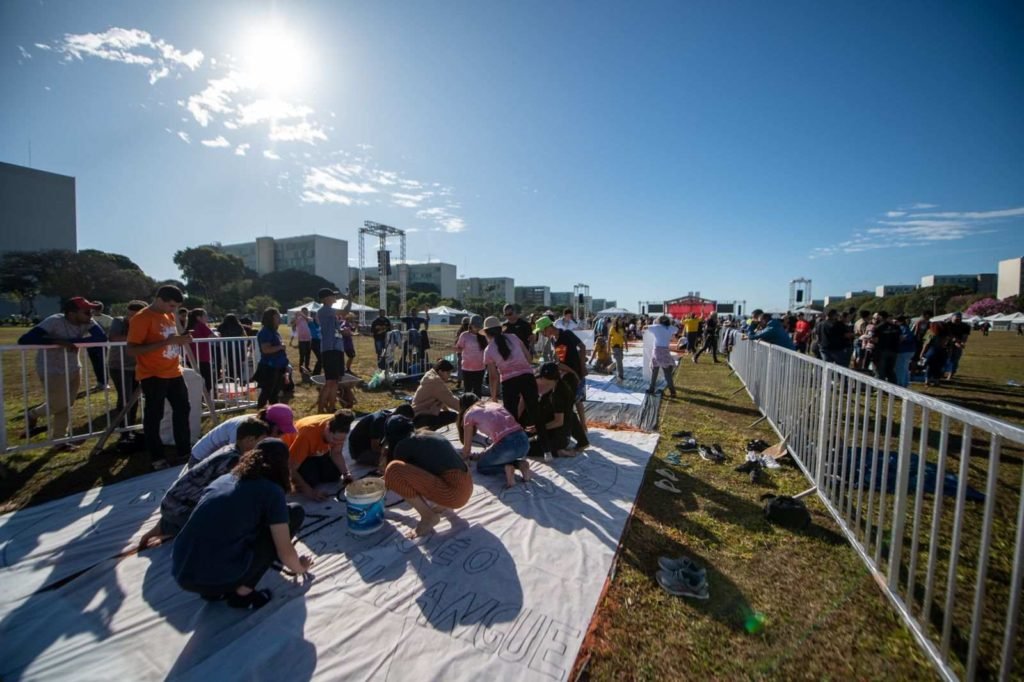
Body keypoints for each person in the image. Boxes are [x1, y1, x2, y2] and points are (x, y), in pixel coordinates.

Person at [171, 438, 312, 611]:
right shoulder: (271, 491)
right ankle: (242, 595)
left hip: (183, 571)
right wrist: (300, 567)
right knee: (294, 513)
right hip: (214, 575)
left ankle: (215, 590)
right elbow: (284, 550)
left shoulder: (225, 479)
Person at [138, 418, 270, 550]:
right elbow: (229, 495)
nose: (263, 447)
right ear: (249, 440)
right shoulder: (233, 461)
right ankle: (175, 526)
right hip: (181, 508)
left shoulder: (229, 449)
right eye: (261, 442)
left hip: (171, 502)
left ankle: (167, 526)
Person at [18, 296, 108, 449]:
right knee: (58, 404)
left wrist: (72, 342)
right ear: (72, 313)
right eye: (86, 312)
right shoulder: (54, 321)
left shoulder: (87, 322)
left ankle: (59, 440)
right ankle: (32, 414)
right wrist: (56, 341)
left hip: (74, 367)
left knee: (67, 405)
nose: (90, 315)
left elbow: (101, 337)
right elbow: (25, 339)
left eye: (91, 311)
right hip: (52, 369)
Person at [126, 285, 194, 464]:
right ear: (160, 299)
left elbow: (171, 341)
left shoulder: (169, 315)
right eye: (171, 306)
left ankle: (184, 452)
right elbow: (132, 350)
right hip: (153, 374)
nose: (174, 310)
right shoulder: (141, 318)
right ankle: (157, 457)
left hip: (174, 371)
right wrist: (167, 342)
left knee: (182, 410)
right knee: (154, 416)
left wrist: (181, 340)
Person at [382, 415, 473, 537]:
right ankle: (442, 505)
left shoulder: (403, 446)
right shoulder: (427, 434)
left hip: (454, 495)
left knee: (393, 470)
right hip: (466, 486)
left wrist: (386, 476)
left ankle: (428, 517)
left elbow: (399, 475)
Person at [482, 316, 545, 449]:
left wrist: (494, 397)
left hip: (509, 382)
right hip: (527, 376)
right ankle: (546, 446)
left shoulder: (489, 351)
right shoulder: (514, 337)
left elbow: (493, 377)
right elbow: (528, 358)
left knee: (511, 416)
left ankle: (516, 446)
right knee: (535, 410)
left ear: (487, 333)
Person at [535, 316, 590, 444]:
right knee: (573, 401)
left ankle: (580, 432)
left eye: (543, 331)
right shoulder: (555, 340)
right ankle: (580, 430)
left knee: (574, 402)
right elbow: (561, 361)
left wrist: (582, 367)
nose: (542, 334)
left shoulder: (566, 334)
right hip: (568, 374)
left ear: (548, 327)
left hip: (574, 373)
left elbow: (582, 347)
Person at [188, 403, 298, 467]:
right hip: (200, 462)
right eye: (280, 432)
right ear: (270, 425)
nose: (280, 437)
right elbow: (233, 461)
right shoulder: (242, 430)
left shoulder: (260, 427)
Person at [459, 393, 531, 488]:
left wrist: (463, 458)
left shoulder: (469, 414)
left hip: (508, 446)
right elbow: (502, 437)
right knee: (495, 456)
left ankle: (507, 469)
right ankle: (521, 464)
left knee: (482, 467)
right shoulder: (493, 404)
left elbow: (467, 449)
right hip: (524, 442)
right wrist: (484, 453)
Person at [284, 409, 355, 500]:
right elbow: (290, 468)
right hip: (299, 453)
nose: (337, 443)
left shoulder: (340, 425)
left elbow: (336, 453)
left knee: (334, 474)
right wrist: (310, 492)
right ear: (327, 429)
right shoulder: (307, 434)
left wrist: (346, 474)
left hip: (317, 451)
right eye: (334, 439)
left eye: (341, 441)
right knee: (309, 480)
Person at [108, 300, 147, 439]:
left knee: (134, 399)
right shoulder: (118, 321)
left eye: (135, 316)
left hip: (136, 366)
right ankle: (124, 432)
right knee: (125, 398)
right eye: (130, 315)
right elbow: (113, 337)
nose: (131, 319)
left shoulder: (144, 323)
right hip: (119, 366)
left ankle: (130, 428)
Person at [532, 362, 587, 457]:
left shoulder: (557, 395)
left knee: (528, 448)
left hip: (559, 437)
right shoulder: (557, 387)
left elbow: (558, 422)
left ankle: (558, 451)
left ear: (553, 380)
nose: (541, 384)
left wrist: (539, 428)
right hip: (561, 432)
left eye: (543, 381)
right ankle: (581, 442)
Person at [316, 288, 352, 413]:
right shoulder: (324, 310)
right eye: (332, 296)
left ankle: (332, 408)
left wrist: (343, 332)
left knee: (335, 381)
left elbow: (335, 329)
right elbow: (345, 311)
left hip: (337, 348)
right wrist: (349, 299)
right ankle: (320, 410)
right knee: (330, 381)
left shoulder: (331, 313)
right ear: (325, 299)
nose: (335, 298)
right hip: (329, 349)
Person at [347, 404, 415, 466]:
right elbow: (374, 447)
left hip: (369, 446)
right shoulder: (379, 422)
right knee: (393, 462)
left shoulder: (388, 417)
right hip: (360, 452)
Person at [411, 359, 460, 429]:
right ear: (440, 371)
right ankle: (428, 432)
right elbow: (451, 400)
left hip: (418, 414)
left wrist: (447, 411)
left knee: (450, 415)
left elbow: (442, 399)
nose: (449, 376)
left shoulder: (432, 377)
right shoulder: (435, 382)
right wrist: (467, 411)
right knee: (454, 416)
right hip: (420, 417)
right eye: (448, 373)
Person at [255, 308, 289, 408]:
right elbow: (266, 349)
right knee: (266, 393)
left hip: (277, 366)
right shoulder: (266, 332)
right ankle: (260, 413)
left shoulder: (274, 332)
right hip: (269, 367)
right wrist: (280, 347)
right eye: (278, 316)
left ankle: (273, 414)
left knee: (274, 394)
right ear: (272, 317)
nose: (279, 318)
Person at [646, 315, 679, 398]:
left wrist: (653, 323)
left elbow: (644, 327)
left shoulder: (656, 327)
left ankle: (651, 388)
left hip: (657, 351)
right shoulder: (670, 328)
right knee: (667, 373)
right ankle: (672, 391)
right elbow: (676, 329)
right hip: (665, 351)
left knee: (655, 371)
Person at [456, 315, 488, 397]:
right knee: (467, 390)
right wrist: (454, 348)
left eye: (479, 326)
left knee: (477, 390)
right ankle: (467, 408)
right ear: (470, 325)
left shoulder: (484, 336)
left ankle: (477, 408)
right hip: (467, 368)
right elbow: (459, 348)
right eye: (475, 326)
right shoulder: (464, 335)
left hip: (480, 368)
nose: (477, 328)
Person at [186, 308, 216, 392]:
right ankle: (205, 399)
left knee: (194, 380)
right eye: (205, 315)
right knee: (207, 381)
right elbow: (213, 337)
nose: (207, 318)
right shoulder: (200, 325)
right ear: (199, 317)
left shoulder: (188, 326)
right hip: (202, 358)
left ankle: (197, 398)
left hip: (190, 358)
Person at [870, 311, 900, 383]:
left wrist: (870, 339)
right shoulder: (895, 327)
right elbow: (900, 338)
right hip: (894, 351)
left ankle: (881, 389)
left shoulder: (878, 327)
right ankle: (894, 388)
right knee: (890, 371)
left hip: (881, 351)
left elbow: (875, 340)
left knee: (880, 371)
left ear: (880, 317)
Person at [216, 314, 248, 381]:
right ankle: (241, 378)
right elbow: (244, 335)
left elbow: (218, 335)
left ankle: (231, 378)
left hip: (227, 346)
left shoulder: (222, 326)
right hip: (239, 346)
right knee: (239, 363)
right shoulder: (239, 326)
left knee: (230, 362)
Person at [919, 322, 950, 387]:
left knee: (929, 366)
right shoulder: (946, 334)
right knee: (939, 367)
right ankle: (936, 381)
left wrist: (922, 353)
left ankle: (927, 381)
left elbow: (926, 343)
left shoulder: (931, 332)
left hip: (933, 350)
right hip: (942, 351)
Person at [944, 312, 971, 380]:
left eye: (959, 319)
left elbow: (965, 336)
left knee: (955, 359)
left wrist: (962, 343)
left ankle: (950, 375)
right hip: (946, 343)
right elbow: (948, 334)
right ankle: (941, 373)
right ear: (952, 318)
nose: (957, 321)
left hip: (958, 344)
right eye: (956, 319)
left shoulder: (965, 326)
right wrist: (955, 341)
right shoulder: (947, 324)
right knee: (944, 358)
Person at [894, 315, 917, 388]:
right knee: (905, 368)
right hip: (910, 350)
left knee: (900, 368)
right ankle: (906, 383)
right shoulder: (907, 327)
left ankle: (901, 384)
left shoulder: (902, 328)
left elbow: (902, 338)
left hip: (903, 350)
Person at [291, 307, 313, 373]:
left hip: (308, 339)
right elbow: (292, 323)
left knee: (308, 354)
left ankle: (307, 367)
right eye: (304, 311)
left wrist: (302, 314)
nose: (305, 313)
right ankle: (301, 368)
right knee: (302, 355)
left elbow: (310, 320)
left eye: (306, 311)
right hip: (301, 340)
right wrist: (296, 315)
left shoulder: (308, 318)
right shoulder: (298, 319)